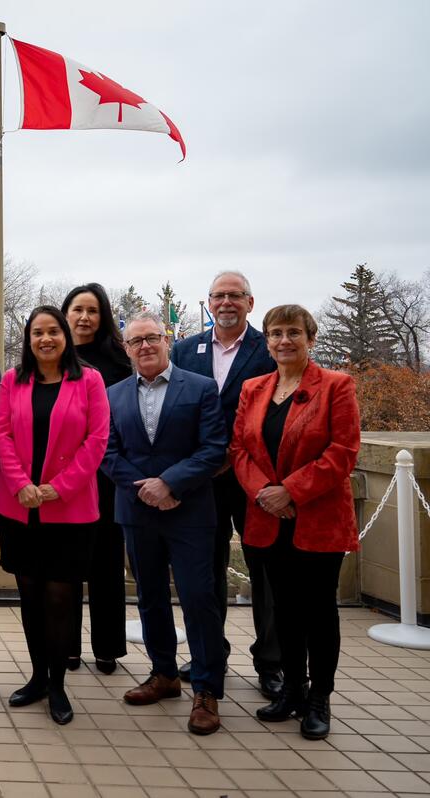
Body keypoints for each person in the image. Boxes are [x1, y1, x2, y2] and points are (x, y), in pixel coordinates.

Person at [230, 305, 359, 740]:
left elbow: (343, 452)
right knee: (283, 609)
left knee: (319, 612)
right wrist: (266, 492)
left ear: (310, 338)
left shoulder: (336, 386)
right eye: (276, 334)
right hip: (268, 517)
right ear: (266, 341)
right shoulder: (254, 387)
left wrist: (292, 491)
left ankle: (319, 699)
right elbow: (239, 450)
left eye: (293, 333)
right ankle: (291, 690)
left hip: (317, 518)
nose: (284, 341)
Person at [104, 313, 227, 735]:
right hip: (137, 513)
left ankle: (207, 690)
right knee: (151, 598)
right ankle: (164, 674)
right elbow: (107, 451)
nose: (144, 346)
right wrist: (144, 489)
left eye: (152, 338)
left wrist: (169, 483)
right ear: (126, 349)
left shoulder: (200, 388)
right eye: (135, 341)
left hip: (189, 512)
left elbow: (214, 449)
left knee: (198, 598)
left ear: (166, 339)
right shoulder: (113, 394)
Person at [0, 306, 110, 725]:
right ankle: (38, 676)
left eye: (53, 332)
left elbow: (97, 440)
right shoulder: (13, 381)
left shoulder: (89, 380)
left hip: (71, 509)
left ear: (64, 337)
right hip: (19, 506)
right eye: (37, 332)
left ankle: (58, 684)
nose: (45, 339)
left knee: (61, 598)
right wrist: (20, 482)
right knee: (30, 595)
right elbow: (1, 434)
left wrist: (57, 488)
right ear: (28, 339)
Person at [172, 270, 281, 699]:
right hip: (202, 482)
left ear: (250, 304)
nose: (226, 303)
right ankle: (208, 652)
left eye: (235, 296)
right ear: (208, 302)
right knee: (204, 572)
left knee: (264, 570)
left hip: (255, 480)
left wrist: (231, 457)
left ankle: (271, 661)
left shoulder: (267, 350)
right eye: (219, 296)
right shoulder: (185, 350)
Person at [61, 283, 133, 675]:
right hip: (61, 479)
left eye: (93, 311)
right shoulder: (52, 357)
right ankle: (67, 646)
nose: (85, 317)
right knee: (67, 566)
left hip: (106, 478)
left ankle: (107, 647)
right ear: (65, 313)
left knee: (107, 566)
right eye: (78, 310)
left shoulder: (118, 363)